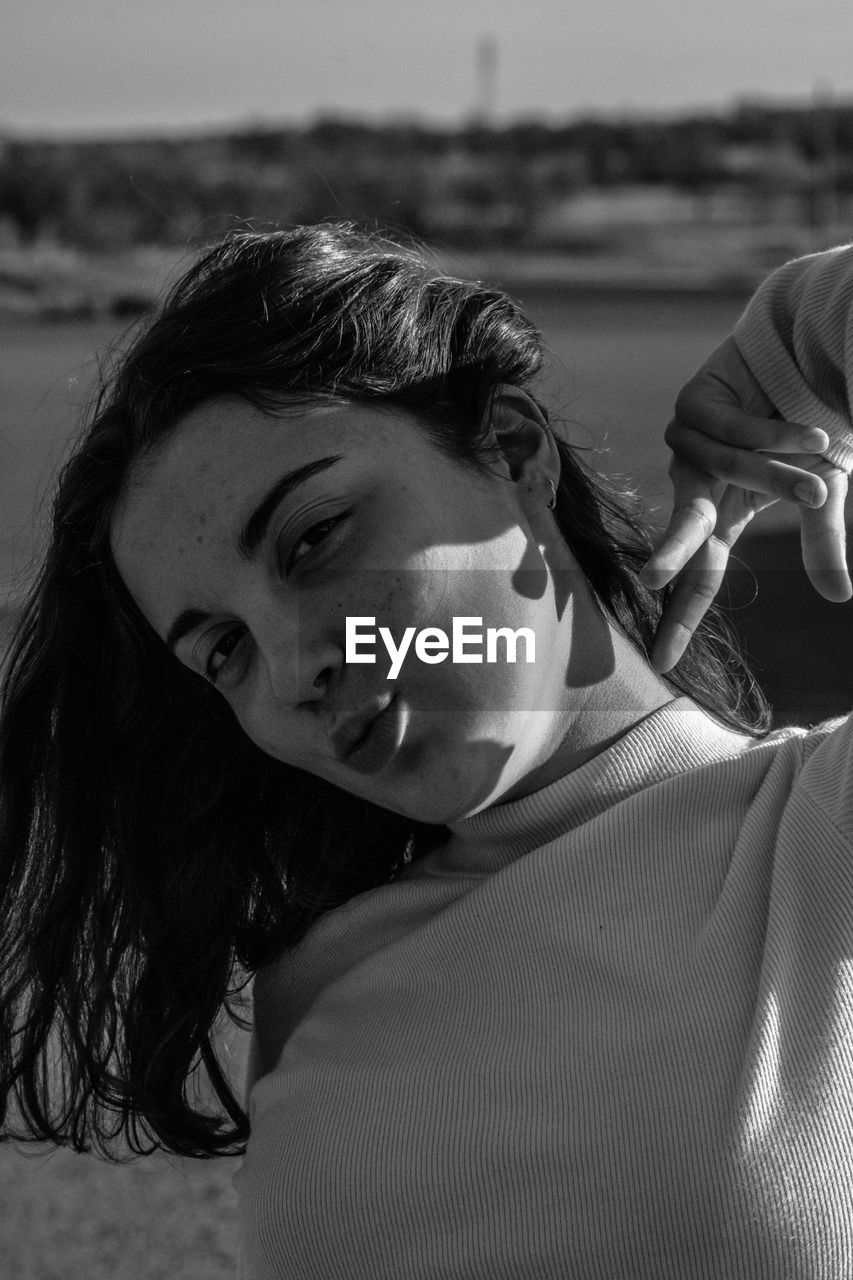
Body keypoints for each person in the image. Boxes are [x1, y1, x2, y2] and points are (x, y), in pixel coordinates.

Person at [1, 223, 852, 1279]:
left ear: (513, 449)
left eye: (313, 537)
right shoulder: (318, 996)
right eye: (223, 648)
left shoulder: (818, 830)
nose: (292, 666)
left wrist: (797, 334)